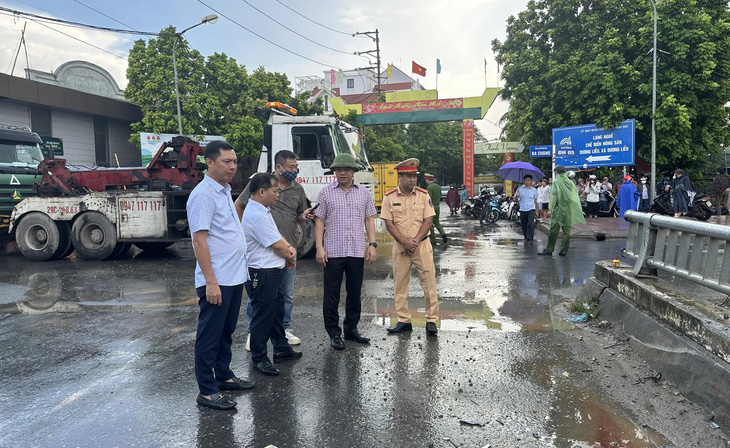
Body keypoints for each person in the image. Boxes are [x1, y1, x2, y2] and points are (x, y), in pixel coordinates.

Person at [187, 140, 254, 411]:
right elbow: (199, 241)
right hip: (217, 280)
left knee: (226, 332)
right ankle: (207, 390)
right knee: (209, 335)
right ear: (210, 162)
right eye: (227, 161)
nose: (233, 166)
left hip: (233, 276)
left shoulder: (223, 190)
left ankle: (224, 375)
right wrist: (210, 282)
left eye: (234, 161)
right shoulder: (203, 195)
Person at [235, 150, 315, 351]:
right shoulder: (260, 184)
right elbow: (239, 205)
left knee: (284, 296)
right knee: (260, 297)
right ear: (278, 167)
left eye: (296, 167)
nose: (294, 171)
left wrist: (303, 216)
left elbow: (296, 215)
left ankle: (282, 330)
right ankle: (253, 332)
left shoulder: (297, 189)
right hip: (266, 251)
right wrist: (241, 234)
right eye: (291, 167)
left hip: (287, 248)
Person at [314, 153, 378, 350]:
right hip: (332, 251)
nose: (342, 172)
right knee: (332, 295)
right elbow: (319, 220)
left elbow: (369, 219)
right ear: (334, 172)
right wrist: (319, 247)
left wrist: (372, 244)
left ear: (353, 172)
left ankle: (351, 329)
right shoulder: (325, 193)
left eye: (347, 169)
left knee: (354, 293)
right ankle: (334, 333)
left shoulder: (364, 193)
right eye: (338, 170)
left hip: (356, 250)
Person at [242, 173, 302, 377]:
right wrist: (290, 254)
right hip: (262, 273)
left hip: (271, 271)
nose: (278, 194)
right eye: (275, 191)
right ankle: (259, 358)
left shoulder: (262, 209)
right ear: (261, 192)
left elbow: (277, 235)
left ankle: (281, 348)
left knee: (276, 311)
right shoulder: (256, 215)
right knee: (263, 316)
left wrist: (289, 249)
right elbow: (276, 245)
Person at [380, 158, 439, 336]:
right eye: (409, 176)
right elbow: (389, 224)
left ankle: (431, 321)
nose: (413, 180)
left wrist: (414, 241)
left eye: (414, 176)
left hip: (422, 246)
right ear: (400, 177)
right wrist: (404, 241)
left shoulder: (423, 195)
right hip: (400, 247)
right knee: (400, 284)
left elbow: (429, 220)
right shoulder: (389, 197)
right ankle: (404, 320)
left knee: (429, 283)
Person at [538, 165, 585, 256]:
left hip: (558, 209)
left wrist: (550, 209)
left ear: (557, 173)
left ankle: (549, 249)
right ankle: (564, 250)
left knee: (554, 230)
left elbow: (555, 195)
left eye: (555, 173)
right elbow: (574, 195)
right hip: (567, 209)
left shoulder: (557, 182)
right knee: (566, 231)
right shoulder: (570, 182)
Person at [513, 174, 538, 245]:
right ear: (524, 181)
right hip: (523, 209)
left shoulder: (534, 190)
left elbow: (535, 200)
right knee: (524, 224)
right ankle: (526, 237)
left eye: (529, 180)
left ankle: (530, 239)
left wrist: (536, 210)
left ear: (531, 181)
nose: (527, 182)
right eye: (526, 180)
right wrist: (517, 196)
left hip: (531, 208)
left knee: (531, 224)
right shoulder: (519, 189)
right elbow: (516, 199)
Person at [424, 174, 447, 244]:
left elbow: (429, 199)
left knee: (430, 223)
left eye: (426, 180)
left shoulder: (429, 187)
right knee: (437, 222)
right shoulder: (438, 187)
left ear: (428, 180)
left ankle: (433, 240)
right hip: (437, 206)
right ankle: (443, 234)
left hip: (431, 207)